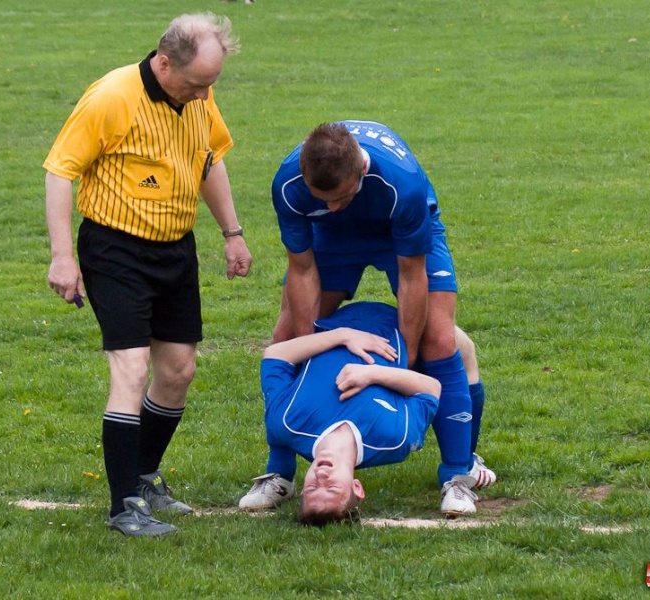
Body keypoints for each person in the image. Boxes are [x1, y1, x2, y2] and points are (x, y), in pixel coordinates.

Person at [43, 13, 251, 537]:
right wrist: (62, 256)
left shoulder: (197, 99)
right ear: (163, 62)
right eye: (198, 83)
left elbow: (208, 159)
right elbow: (60, 170)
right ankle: (124, 505)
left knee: (178, 371)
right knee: (132, 370)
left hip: (175, 249)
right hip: (116, 249)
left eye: (212, 84)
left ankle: (144, 473)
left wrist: (232, 232)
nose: (206, 96)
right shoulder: (112, 97)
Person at [269, 120, 493, 514]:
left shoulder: (400, 185)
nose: (333, 206)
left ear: (363, 172)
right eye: (324, 199)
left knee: (438, 339)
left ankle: (458, 475)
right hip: (333, 238)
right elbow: (302, 270)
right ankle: (279, 473)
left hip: (399, 235)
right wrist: (306, 350)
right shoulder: (289, 185)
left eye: (340, 197)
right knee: (287, 334)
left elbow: (411, 274)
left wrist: (405, 355)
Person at [240, 301, 452, 525]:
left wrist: (342, 335)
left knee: (297, 279)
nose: (321, 477)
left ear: (303, 489)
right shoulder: (394, 440)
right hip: (407, 323)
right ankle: (462, 467)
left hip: (325, 314)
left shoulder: (287, 423)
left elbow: (275, 355)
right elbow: (431, 389)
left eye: (312, 487)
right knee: (456, 349)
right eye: (331, 487)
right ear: (357, 487)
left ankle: (280, 474)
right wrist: (373, 374)